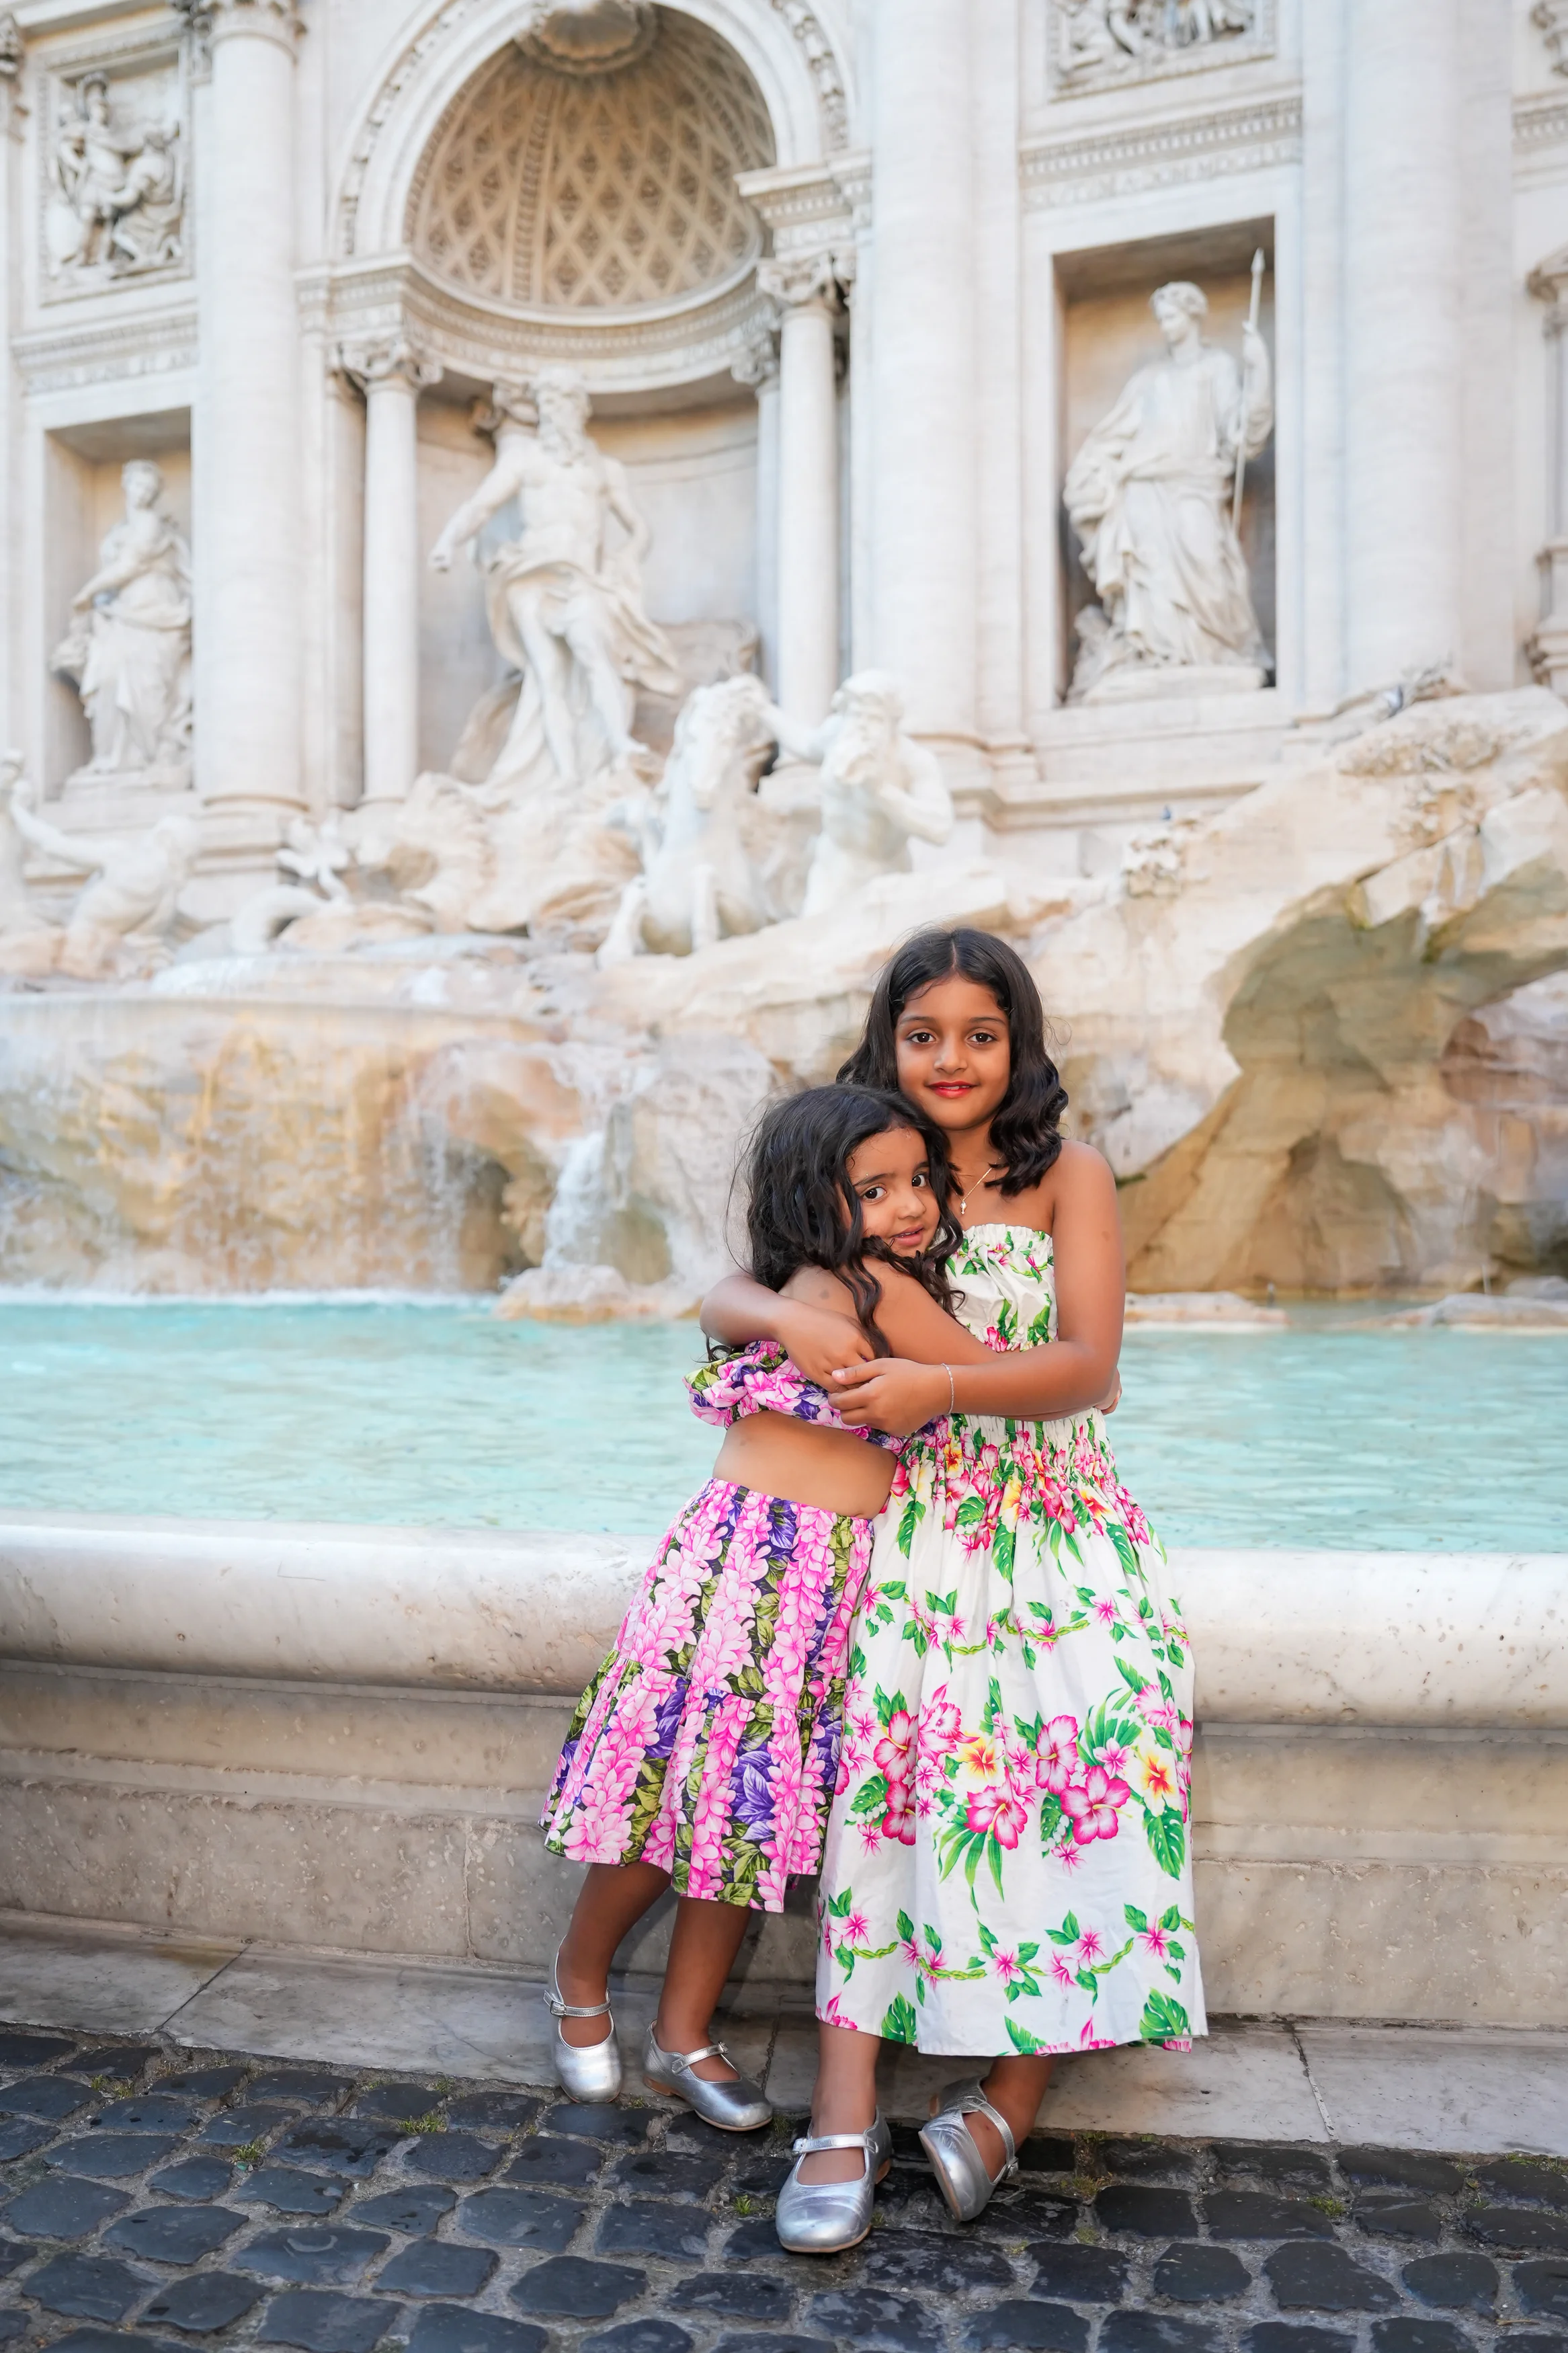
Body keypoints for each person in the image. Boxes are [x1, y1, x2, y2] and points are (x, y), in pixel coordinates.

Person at [702, 926, 1200, 2251]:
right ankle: (841, 2113)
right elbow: (729, 1288)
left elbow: (1086, 1368)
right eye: (924, 1034)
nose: (951, 1059)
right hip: (913, 1510)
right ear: (888, 1041)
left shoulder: (1066, 1176)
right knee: (889, 1776)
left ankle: (1005, 2100)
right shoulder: (861, 1171)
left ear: (1017, 1044)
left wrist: (941, 1384)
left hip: (1058, 1511)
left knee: (1109, 1745)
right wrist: (790, 1320)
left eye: (979, 1034)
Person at [540, 1082, 1007, 2131]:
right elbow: (722, 1306)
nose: (909, 1205)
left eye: (918, 1181)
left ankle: (683, 2034)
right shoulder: (841, 1284)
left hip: (832, 1582)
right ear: (814, 1199)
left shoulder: (877, 1286)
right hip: (737, 1566)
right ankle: (577, 1978)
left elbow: (988, 1381)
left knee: (743, 1814)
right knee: (665, 1811)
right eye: (874, 1188)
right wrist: (793, 1309)